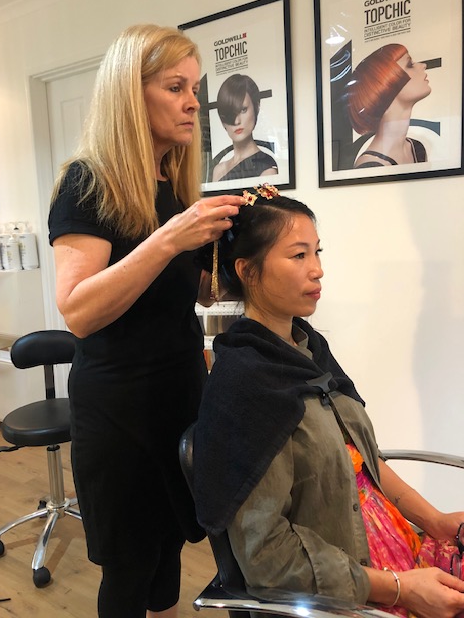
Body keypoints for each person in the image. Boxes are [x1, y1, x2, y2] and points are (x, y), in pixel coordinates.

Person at [193, 186, 464, 618]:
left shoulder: (309, 349)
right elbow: (268, 557)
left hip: (396, 550)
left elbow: (363, 460)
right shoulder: (243, 389)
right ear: (247, 271)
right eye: (298, 255)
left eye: (317, 252)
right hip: (352, 595)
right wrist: (401, 590)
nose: (318, 270)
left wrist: (435, 521)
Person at [48, 23, 245, 618]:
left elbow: (196, 295)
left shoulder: (172, 187)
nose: (193, 103)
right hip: (120, 411)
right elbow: (78, 311)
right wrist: (170, 238)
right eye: (175, 87)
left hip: (179, 394)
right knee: (130, 565)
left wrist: (238, 255)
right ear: (130, 95)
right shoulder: (87, 183)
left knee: (169, 548)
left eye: (195, 89)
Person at [346, 44, 431, 168]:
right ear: (386, 84)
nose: (423, 65)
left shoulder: (417, 148)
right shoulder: (371, 166)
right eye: (410, 65)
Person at [211, 74, 278, 182]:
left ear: (256, 107)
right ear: (223, 121)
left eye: (243, 110)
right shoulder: (218, 170)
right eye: (230, 114)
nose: (237, 121)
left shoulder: (267, 169)